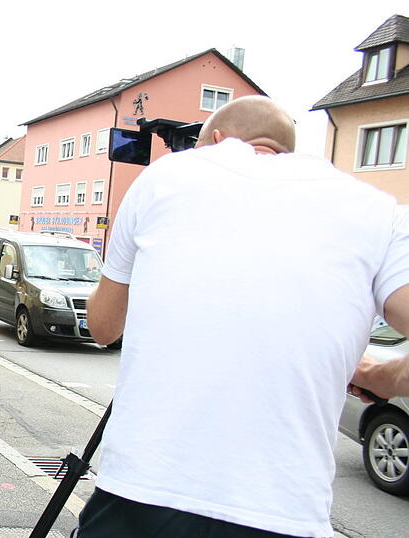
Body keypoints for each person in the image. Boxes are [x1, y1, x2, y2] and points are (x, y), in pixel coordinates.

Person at [78, 96, 409, 538]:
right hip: (285, 511)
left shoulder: (166, 176)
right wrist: (386, 374)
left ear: (215, 142)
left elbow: (103, 328)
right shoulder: (379, 210)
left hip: (144, 496)